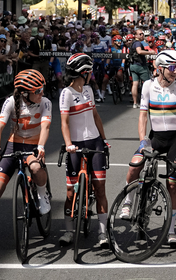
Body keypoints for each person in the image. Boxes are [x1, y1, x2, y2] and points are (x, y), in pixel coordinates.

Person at [0, 69, 51, 255]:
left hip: (32, 145)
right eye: (37, 91)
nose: (41, 93)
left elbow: (45, 127)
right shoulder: (12, 102)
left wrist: (41, 147)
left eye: (41, 89)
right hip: (13, 146)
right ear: (24, 93)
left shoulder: (45, 102)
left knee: (36, 167)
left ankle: (42, 193)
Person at [120, 49, 176, 248]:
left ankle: (172, 230)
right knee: (134, 166)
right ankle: (128, 202)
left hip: (175, 139)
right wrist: (143, 140)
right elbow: (143, 116)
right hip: (156, 137)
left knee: (172, 185)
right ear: (160, 69)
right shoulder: (148, 86)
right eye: (172, 68)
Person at [59, 54, 110, 247]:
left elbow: (95, 116)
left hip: (95, 142)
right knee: (71, 191)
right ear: (84, 73)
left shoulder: (88, 89)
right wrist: (68, 143)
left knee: (99, 189)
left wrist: (104, 140)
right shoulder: (67, 93)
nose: (91, 75)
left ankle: (103, 233)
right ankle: (68, 231)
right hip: (76, 144)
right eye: (90, 72)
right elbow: (64, 123)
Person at [129, 30, 156, 109]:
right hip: (140, 66)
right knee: (148, 84)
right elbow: (139, 51)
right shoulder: (137, 43)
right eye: (140, 34)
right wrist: (150, 53)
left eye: (142, 34)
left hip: (133, 65)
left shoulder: (133, 43)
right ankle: (148, 102)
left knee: (135, 84)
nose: (142, 35)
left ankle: (135, 103)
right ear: (136, 36)